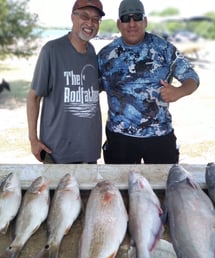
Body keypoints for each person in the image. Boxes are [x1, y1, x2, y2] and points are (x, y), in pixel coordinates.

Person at [97, 0, 200, 164]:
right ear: (118, 24)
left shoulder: (164, 49)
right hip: (119, 139)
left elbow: (192, 78)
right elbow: (90, 88)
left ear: (145, 21)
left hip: (159, 136)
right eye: (125, 18)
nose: (131, 23)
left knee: (162, 186)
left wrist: (179, 91)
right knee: (120, 187)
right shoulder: (105, 55)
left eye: (137, 17)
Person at [26, 0, 105, 164]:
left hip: (89, 151)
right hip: (57, 152)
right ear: (73, 17)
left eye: (96, 19)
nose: (90, 23)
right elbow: (34, 97)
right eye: (84, 16)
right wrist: (33, 140)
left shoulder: (92, 52)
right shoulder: (52, 50)